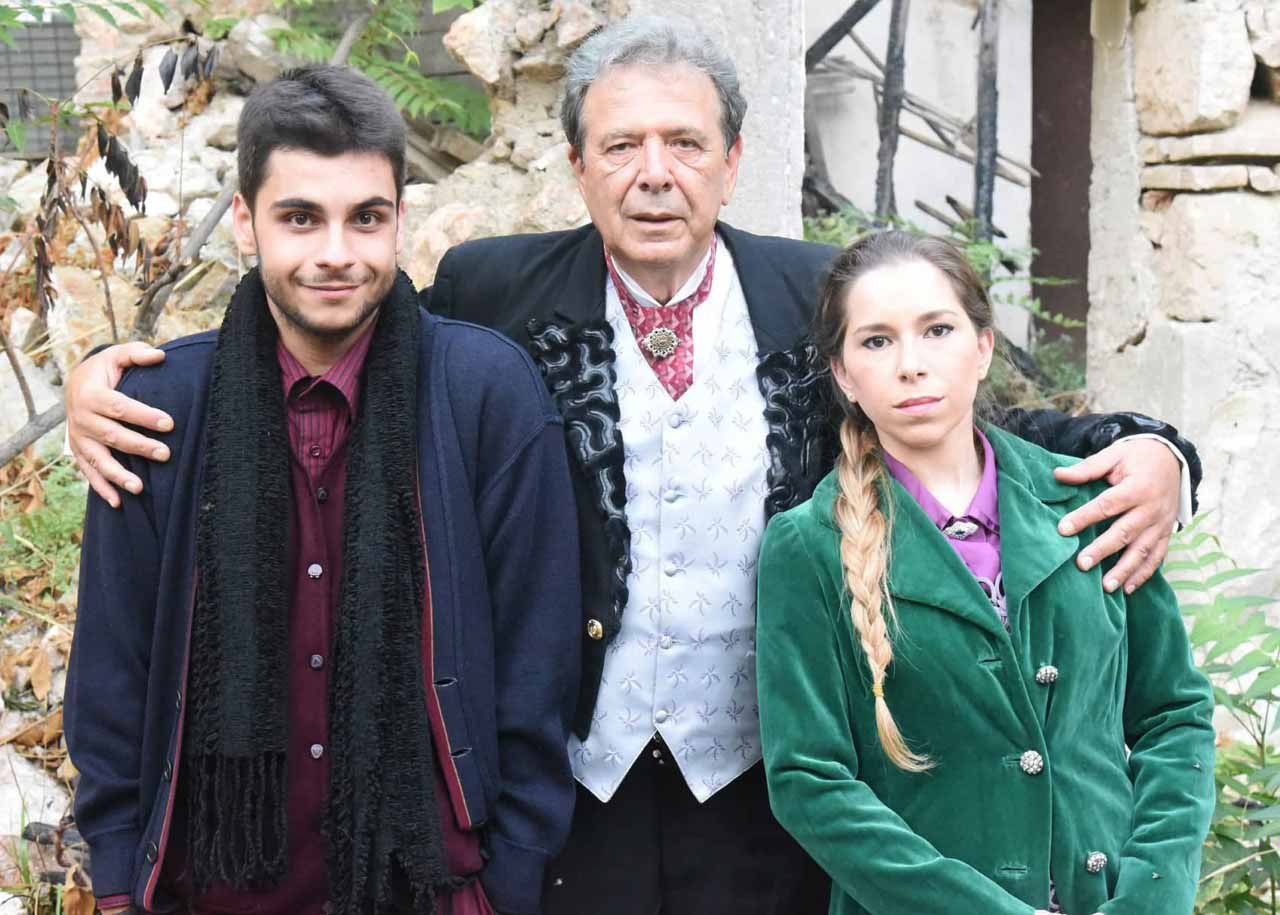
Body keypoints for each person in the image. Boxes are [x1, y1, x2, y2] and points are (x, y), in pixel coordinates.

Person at [63, 18, 1201, 915]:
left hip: (766, 782)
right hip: (577, 782)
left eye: (685, 145)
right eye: (620, 147)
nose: (654, 175)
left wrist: (1154, 450)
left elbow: (956, 410)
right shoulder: (492, 291)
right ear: (577, 165)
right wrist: (111, 383)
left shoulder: (811, 292)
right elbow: (338, 321)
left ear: (732, 161)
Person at [64, 65, 581, 915]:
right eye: (300, 218)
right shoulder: (157, 411)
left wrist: (511, 877)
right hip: (217, 889)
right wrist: (120, 881)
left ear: (400, 221)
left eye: (366, 217)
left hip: (431, 888)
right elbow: (113, 669)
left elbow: (539, 663)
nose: (336, 253)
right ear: (245, 221)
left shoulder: (485, 393)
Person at [756, 230, 1216, 915]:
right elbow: (810, 780)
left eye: (937, 330)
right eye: (876, 341)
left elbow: (1173, 715)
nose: (911, 365)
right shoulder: (807, 546)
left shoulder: (1093, 506)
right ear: (844, 375)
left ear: (983, 347)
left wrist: (1152, 895)